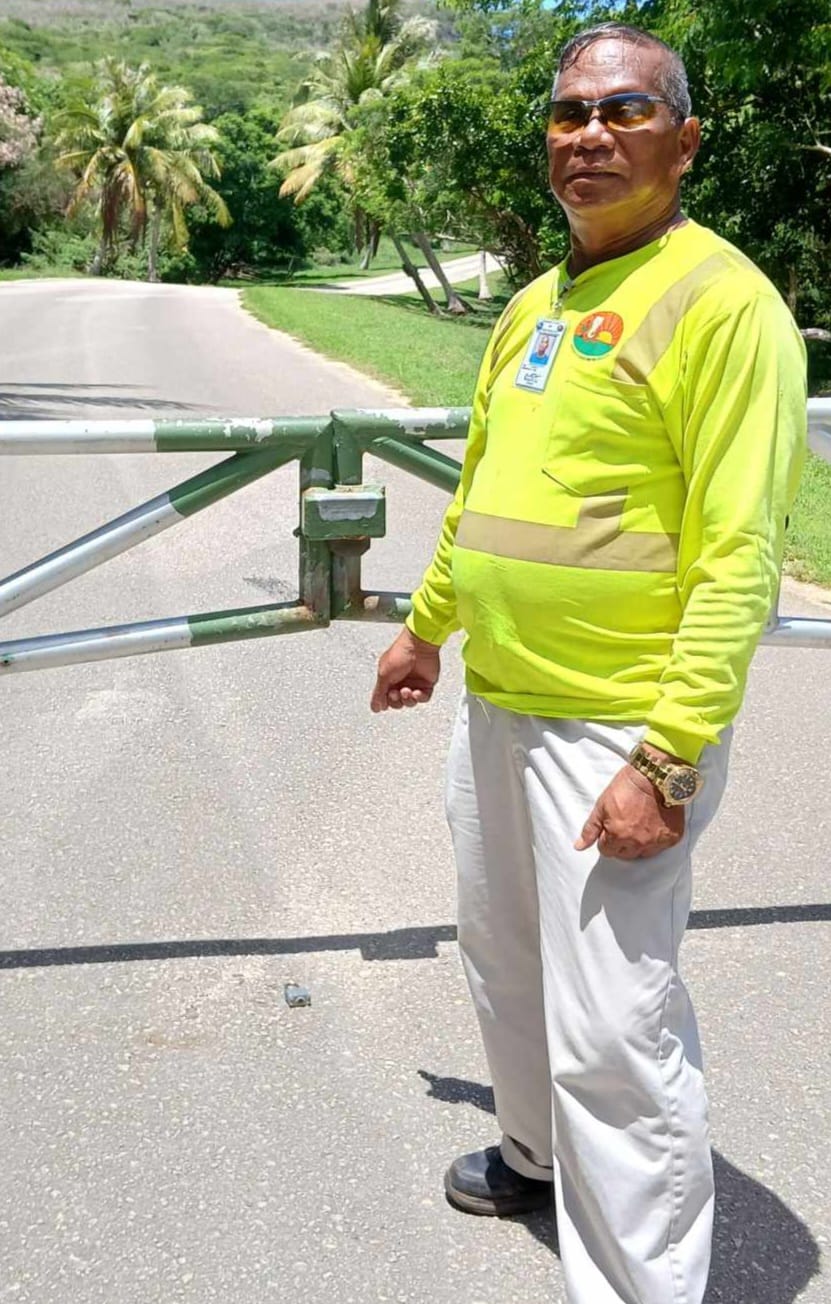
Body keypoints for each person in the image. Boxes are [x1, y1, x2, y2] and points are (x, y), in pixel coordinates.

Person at [371, 22, 806, 1304]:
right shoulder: (535, 303)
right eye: (569, 115)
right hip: (503, 704)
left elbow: (740, 554)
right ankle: (534, 1152)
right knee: (504, 952)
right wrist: (426, 625)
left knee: (615, 1022)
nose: (590, 135)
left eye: (624, 110)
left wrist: (665, 757)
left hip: (618, 727)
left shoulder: (727, 305)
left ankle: (643, 1283)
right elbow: (484, 491)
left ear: (686, 137)